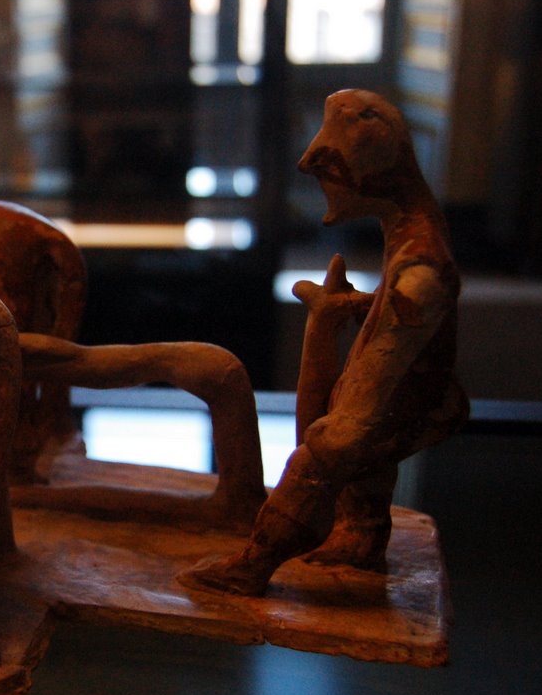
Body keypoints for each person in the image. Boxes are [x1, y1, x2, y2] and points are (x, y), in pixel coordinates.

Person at [179, 90, 468, 596]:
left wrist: (342, 428)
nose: (313, 171)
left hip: (416, 399)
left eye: (330, 169)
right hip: (415, 391)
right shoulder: (409, 234)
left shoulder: (419, 265)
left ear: (371, 169)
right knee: (359, 456)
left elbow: (390, 362)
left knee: (326, 452)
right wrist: (360, 310)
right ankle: (361, 538)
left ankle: (254, 565)